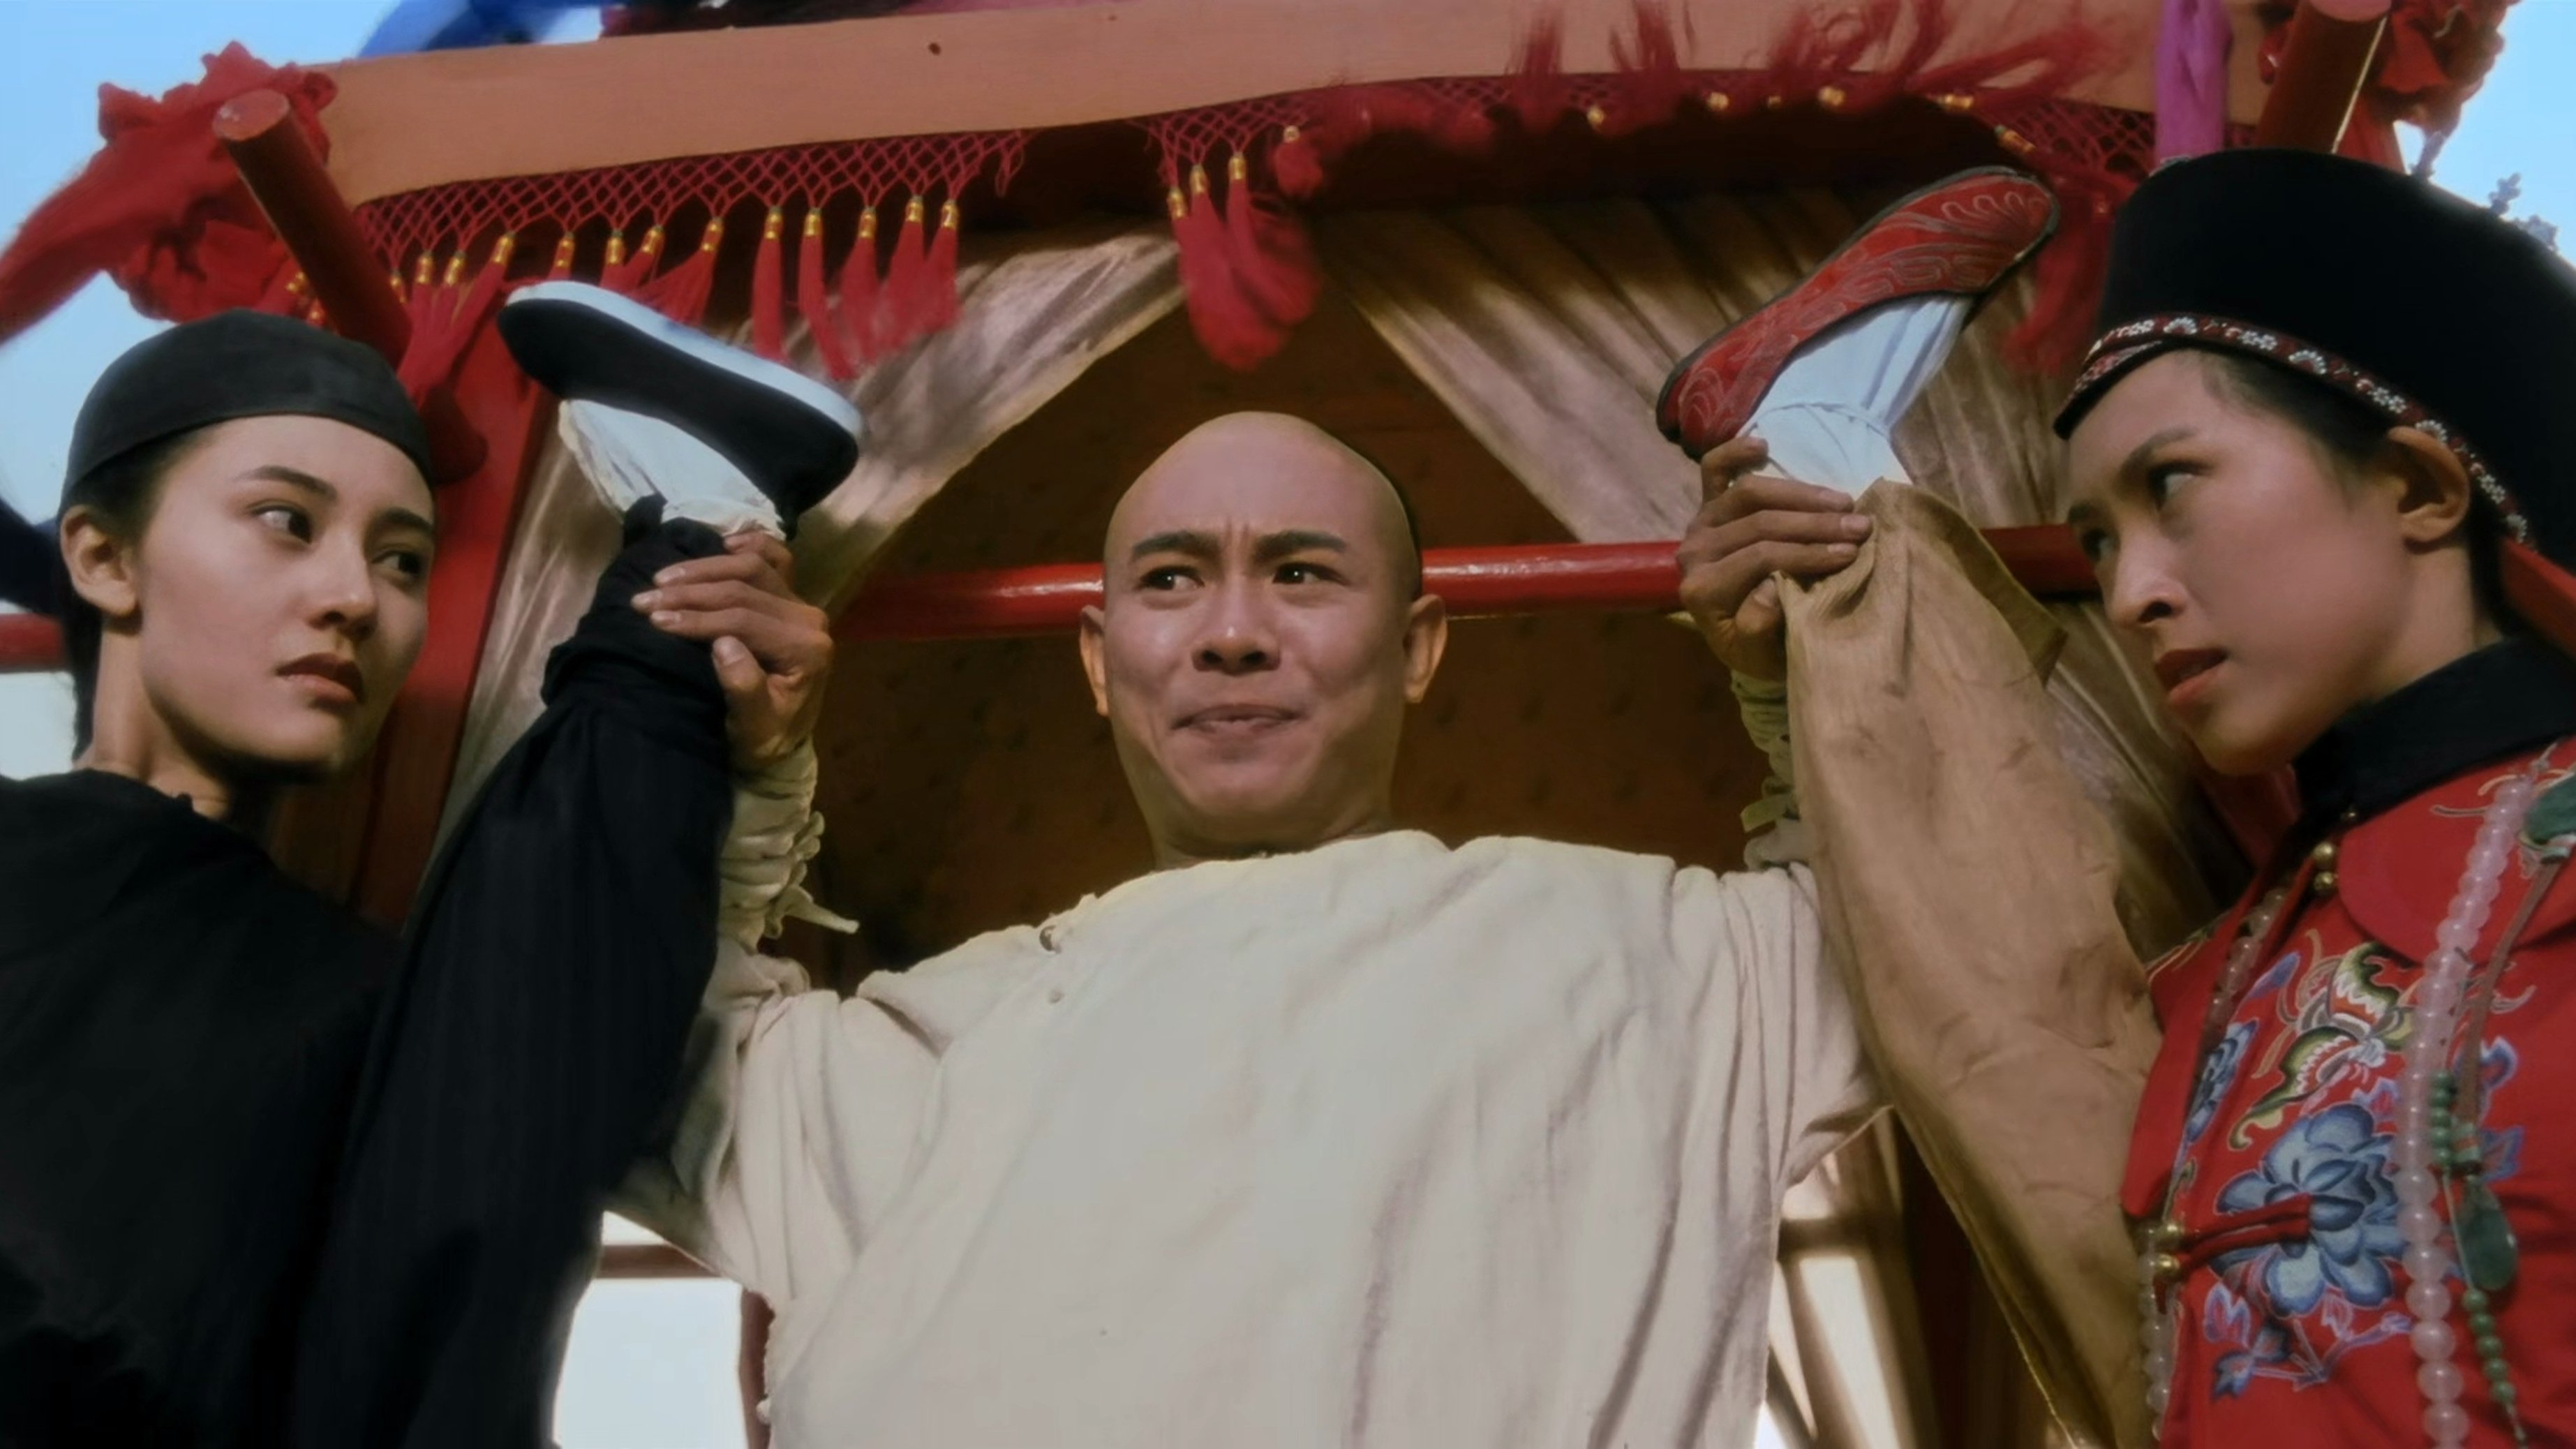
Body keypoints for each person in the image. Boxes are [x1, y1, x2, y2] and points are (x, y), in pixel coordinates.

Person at [588, 169, 2063, 1445]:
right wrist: (743, 750)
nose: (1233, 634)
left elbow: (1953, 929)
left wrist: (1800, 649)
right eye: (1172, 580)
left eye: (1300, 573)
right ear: (1099, 661)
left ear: (1417, 648)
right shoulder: (923, 1047)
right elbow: (608, 1055)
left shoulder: (1647, 960)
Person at [1703, 148, 2576, 1447]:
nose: (2127, 595)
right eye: (2100, 541)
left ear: (2418, 487)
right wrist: (1813, 640)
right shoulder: (2228, 975)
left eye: (2173, 489)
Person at [0, 302, 852, 1446]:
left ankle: (691, 543)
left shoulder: (380, 1005)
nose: (356, 598)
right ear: (106, 558)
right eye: (285, 520)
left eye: (402, 560)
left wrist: (696, 680)